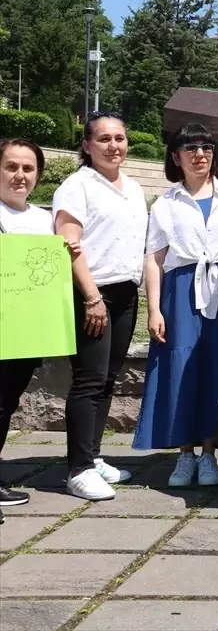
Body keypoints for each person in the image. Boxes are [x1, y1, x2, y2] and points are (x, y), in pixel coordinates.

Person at [135, 125, 218, 487]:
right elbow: (154, 259)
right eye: (190, 148)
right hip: (181, 291)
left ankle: (210, 454)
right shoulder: (166, 204)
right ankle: (185, 454)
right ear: (176, 157)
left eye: (206, 147)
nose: (200, 154)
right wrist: (154, 309)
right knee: (180, 369)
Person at [52, 113, 148, 501]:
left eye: (120, 138)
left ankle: (91, 456)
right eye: (104, 139)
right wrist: (92, 297)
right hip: (91, 293)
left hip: (126, 293)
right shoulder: (77, 187)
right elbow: (68, 244)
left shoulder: (134, 187)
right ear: (87, 146)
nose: (114, 146)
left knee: (108, 379)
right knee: (89, 380)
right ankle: (78, 469)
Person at [0, 139, 75, 519]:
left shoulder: (43, 219)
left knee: (6, 404)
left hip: (25, 331)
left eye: (28, 169)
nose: (20, 176)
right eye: (11, 167)